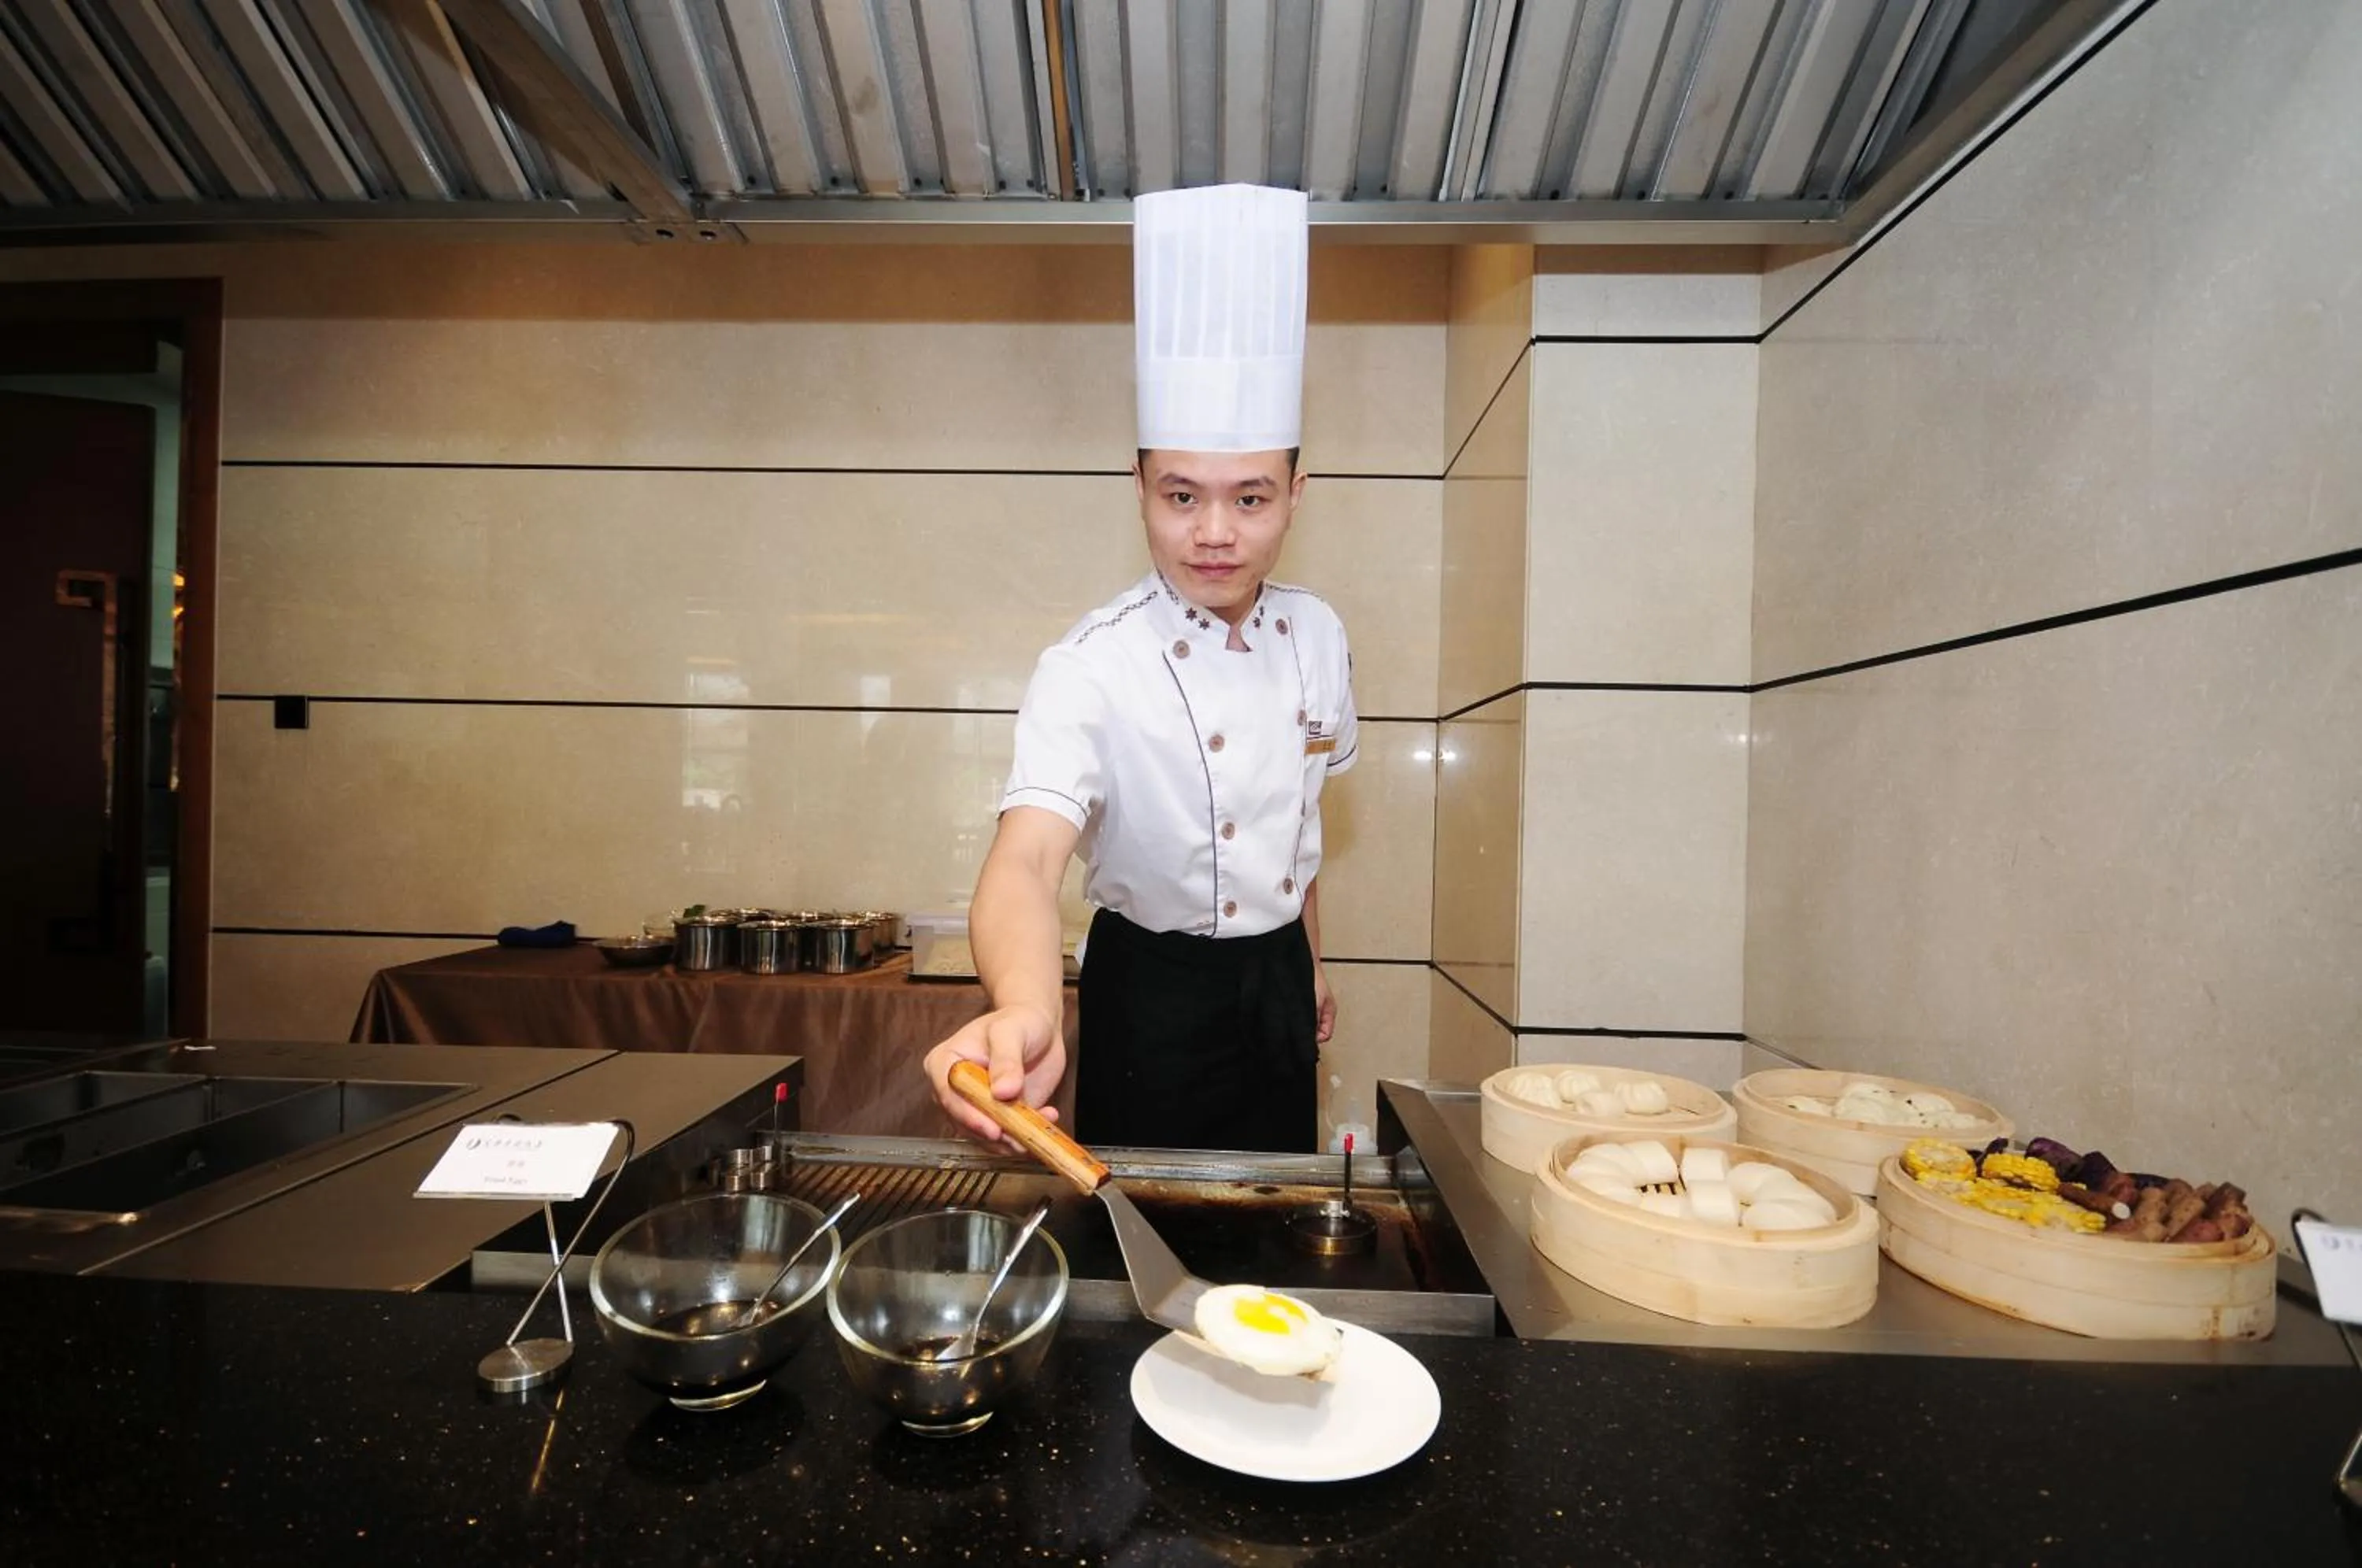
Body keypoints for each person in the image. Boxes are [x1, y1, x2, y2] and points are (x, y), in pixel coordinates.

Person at [923, 184, 1357, 1153]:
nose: (1213, 533)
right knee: (1142, 1235)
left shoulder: (1321, 636)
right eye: (1180, 495)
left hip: (1280, 978)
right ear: (1139, 488)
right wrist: (1028, 1005)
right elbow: (1026, 860)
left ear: (1296, 493)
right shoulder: (1091, 663)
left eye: (1250, 497)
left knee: (1277, 1220)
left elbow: (1302, 818)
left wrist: (1309, 962)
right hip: (1149, 989)